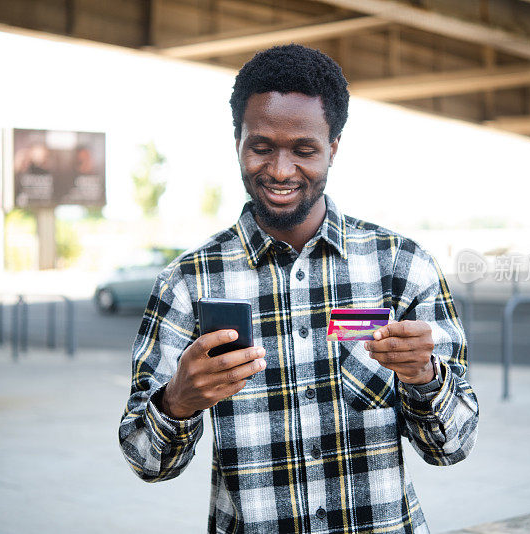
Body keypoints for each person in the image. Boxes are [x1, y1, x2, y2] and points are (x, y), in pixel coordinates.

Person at [119, 44, 479, 534]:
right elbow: (147, 461)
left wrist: (424, 376)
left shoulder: (402, 266)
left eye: (304, 150)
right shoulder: (187, 284)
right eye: (261, 147)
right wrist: (177, 402)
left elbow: (452, 446)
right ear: (238, 143)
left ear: (333, 148)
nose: (281, 171)